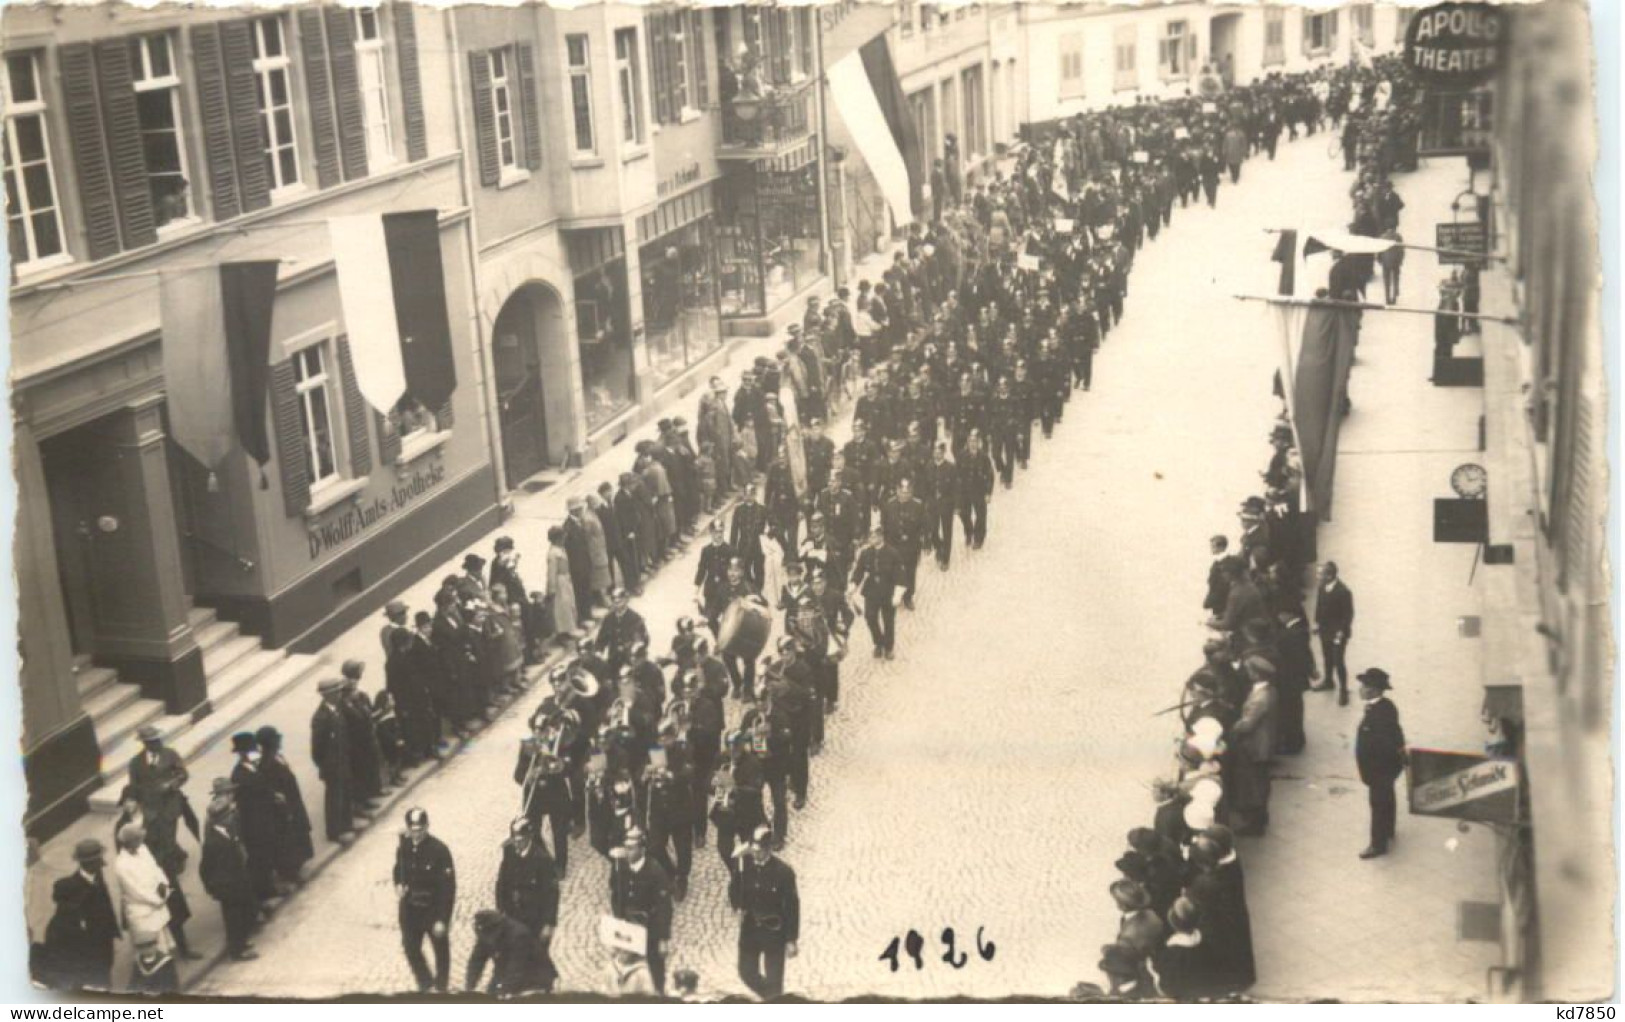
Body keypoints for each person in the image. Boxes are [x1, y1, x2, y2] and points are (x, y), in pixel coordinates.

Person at [37, 839, 120, 991]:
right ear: (87, 863)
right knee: (98, 980)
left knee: (107, 969)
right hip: (89, 949)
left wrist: (113, 929)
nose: (102, 863)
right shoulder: (72, 890)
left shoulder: (97, 875)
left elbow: (106, 902)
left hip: (105, 939)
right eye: (98, 860)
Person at [394, 807, 456, 993]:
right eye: (413, 829)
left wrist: (442, 919)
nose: (417, 833)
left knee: (441, 951)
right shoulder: (404, 846)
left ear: (427, 826)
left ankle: (442, 987)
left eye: (421, 828)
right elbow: (398, 869)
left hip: (432, 908)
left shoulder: (439, 850)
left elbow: (448, 888)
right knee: (410, 948)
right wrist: (398, 884)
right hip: (410, 909)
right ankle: (426, 982)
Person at [737, 824, 800, 999]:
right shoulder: (746, 867)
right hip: (750, 930)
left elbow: (792, 907)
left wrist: (791, 939)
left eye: (759, 851)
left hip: (774, 932)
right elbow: (736, 895)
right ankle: (774, 1000)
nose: (755, 854)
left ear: (768, 849)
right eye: (753, 850)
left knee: (774, 981)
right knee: (746, 972)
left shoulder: (783, 873)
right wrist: (737, 867)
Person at [199, 780, 260, 962]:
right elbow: (205, 866)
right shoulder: (215, 839)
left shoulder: (228, 827)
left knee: (242, 911)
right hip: (227, 882)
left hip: (236, 877)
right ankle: (237, 949)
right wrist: (210, 886)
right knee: (234, 915)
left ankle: (240, 941)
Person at [608, 828, 673, 994]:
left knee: (654, 969)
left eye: (632, 848)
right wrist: (618, 919)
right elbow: (615, 894)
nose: (627, 851)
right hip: (628, 927)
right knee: (626, 969)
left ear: (642, 849)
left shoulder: (655, 872)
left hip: (649, 929)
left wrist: (663, 938)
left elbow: (664, 907)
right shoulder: (619, 867)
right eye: (626, 846)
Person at [1355, 668, 1407, 859]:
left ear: (1374, 690)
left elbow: (1384, 743)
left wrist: (1376, 771)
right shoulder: (1387, 706)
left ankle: (1378, 844)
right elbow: (1397, 732)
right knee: (1387, 798)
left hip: (1379, 768)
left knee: (1377, 803)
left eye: (1364, 686)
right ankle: (1388, 829)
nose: (1360, 689)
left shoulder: (1378, 714)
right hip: (1387, 768)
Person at [465, 909, 555, 998]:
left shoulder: (518, 936)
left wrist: (504, 990)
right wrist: (470, 986)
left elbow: (517, 968)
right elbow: (476, 961)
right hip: (505, 972)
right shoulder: (486, 932)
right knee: (491, 995)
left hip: (535, 978)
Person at [311, 678, 356, 842]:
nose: (339, 694)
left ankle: (346, 825)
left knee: (345, 793)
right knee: (334, 798)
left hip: (343, 761)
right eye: (336, 692)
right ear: (327, 695)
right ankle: (335, 831)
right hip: (331, 766)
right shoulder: (321, 718)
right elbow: (317, 749)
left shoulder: (337, 710)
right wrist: (325, 765)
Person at [849, 524, 903, 660]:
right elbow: (858, 571)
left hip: (888, 591)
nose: (872, 539)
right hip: (871, 591)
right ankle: (878, 642)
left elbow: (900, 576)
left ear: (881, 536)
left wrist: (898, 594)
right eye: (870, 536)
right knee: (870, 617)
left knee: (888, 621)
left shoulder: (893, 553)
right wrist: (853, 585)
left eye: (875, 536)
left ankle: (889, 648)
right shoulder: (865, 553)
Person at [1313, 561, 1355, 705]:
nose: (1317, 576)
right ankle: (1328, 681)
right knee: (1327, 657)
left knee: (1338, 660)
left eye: (1320, 574)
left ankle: (1343, 689)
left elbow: (1347, 615)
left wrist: (1341, 632)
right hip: (1325, 630)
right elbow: (1319, 607)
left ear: (1330, 575)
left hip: (1338, 633)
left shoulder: (1343, 592)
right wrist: (1317, 623)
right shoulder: (1322, 588)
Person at [545, 526, 580, 642]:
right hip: (559, 583)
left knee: (567, 605)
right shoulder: (553, 554)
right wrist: (552, 589)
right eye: (562, 537)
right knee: (560, 608)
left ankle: (567, 630)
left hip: (565, 580)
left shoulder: (560, 549)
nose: (564, 539)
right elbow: (551, 573)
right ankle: (561, 634)